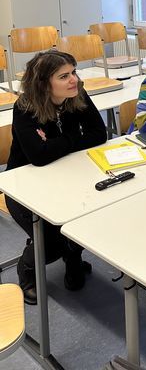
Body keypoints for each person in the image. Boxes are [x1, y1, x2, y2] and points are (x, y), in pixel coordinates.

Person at [5, 50, 107, 305]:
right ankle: (27, 269)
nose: (74, 80)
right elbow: (38, 157)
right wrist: (73, 138)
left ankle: (73, 259)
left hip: (67, 174)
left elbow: (99, 134)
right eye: (64, 76)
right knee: (50, 242)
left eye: (74, 72)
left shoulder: (77, 94)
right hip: (23, 185)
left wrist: (56, 143)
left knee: (87, 216)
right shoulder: (25, 107)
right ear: (43, 83)